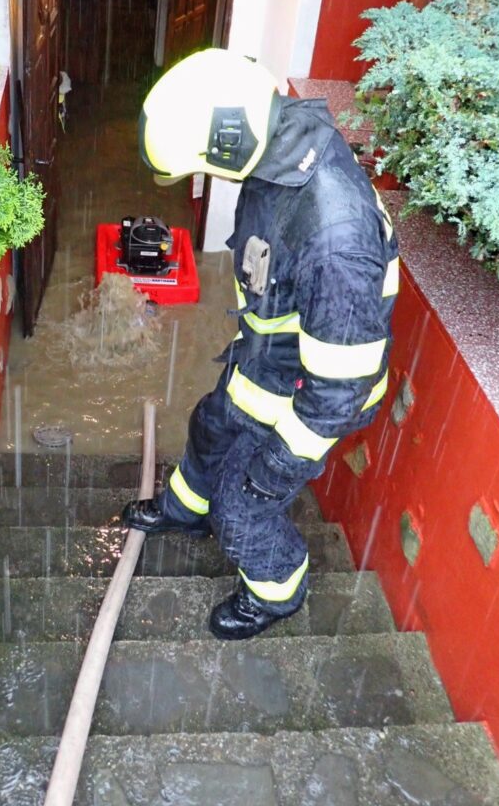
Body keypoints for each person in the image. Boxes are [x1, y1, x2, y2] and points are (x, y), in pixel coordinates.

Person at [122, 49, 399, 640]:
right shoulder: (280, 145)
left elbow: (337, 394)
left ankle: (276, 592)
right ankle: (185, 511)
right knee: (210, 426)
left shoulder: (335, 238)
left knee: (243, 509)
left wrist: (272, 470)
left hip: (310, 394)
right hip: (268, 358)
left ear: (227, 142)